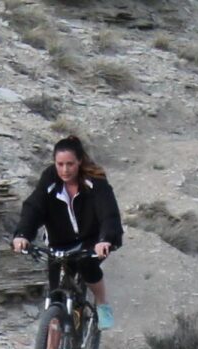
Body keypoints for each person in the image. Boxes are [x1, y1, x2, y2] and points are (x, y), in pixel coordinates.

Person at [9, 134, 124, 333]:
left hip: (91, 241)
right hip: (59, 242)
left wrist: (105, 239)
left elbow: (109, 213)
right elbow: (34, 207)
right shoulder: (50, 180)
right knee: (55, 300)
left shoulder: (95, 182)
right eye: (60, 164)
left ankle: (102, 303)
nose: (64, 170)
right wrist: (22, 235)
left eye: (70, 164)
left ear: (79, 161)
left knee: (86, 264)